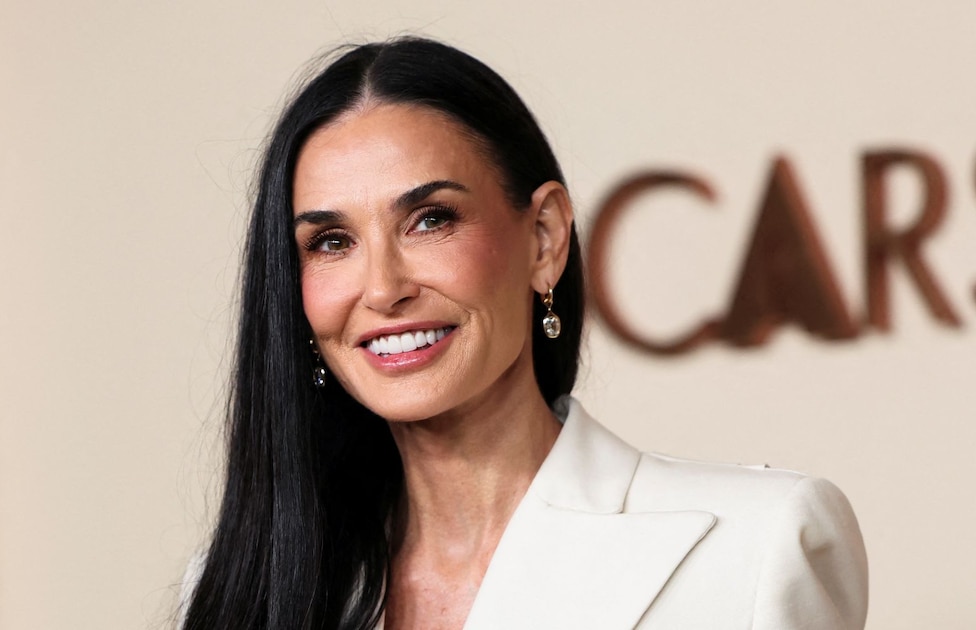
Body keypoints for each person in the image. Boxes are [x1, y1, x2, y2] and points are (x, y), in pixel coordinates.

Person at [176, 37, 867, 629]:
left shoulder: (758, 545)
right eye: (331, 241)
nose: (383, 289)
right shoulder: (240, 591)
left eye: (430, 220)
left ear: (543, 238)